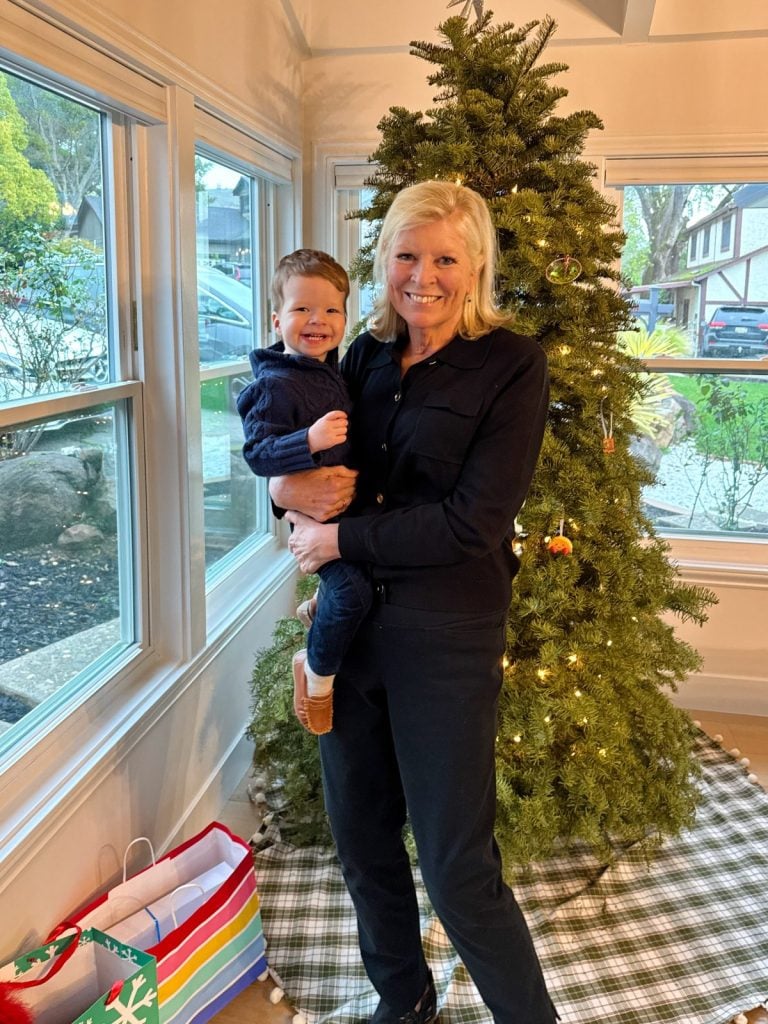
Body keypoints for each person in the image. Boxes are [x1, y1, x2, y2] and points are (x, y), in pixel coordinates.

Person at [271, 181, 558, 1024]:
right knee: (362, 844)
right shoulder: (358, 357)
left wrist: (341, 542)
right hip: (354, 631)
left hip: (447, 640)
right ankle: (405, 1004)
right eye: (405, 254)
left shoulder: (513, 365)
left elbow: (475, 522)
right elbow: (306, 483)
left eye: (443, 258)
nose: (421, 276)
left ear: (475, 269)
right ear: (383, 261)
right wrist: (296, 509)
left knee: (457, 864)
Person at [236, 249, 371, 735]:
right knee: (354, 591)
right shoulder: (276, 385)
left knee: (361, 584)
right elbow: (258, 454)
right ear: (277, 319)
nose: (318, 321)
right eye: (302, 310)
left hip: (348, 517)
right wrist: (308, 442)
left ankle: (316, 610)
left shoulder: (332, 369)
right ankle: (315, 677)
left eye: (331, 310)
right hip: (321, 523)